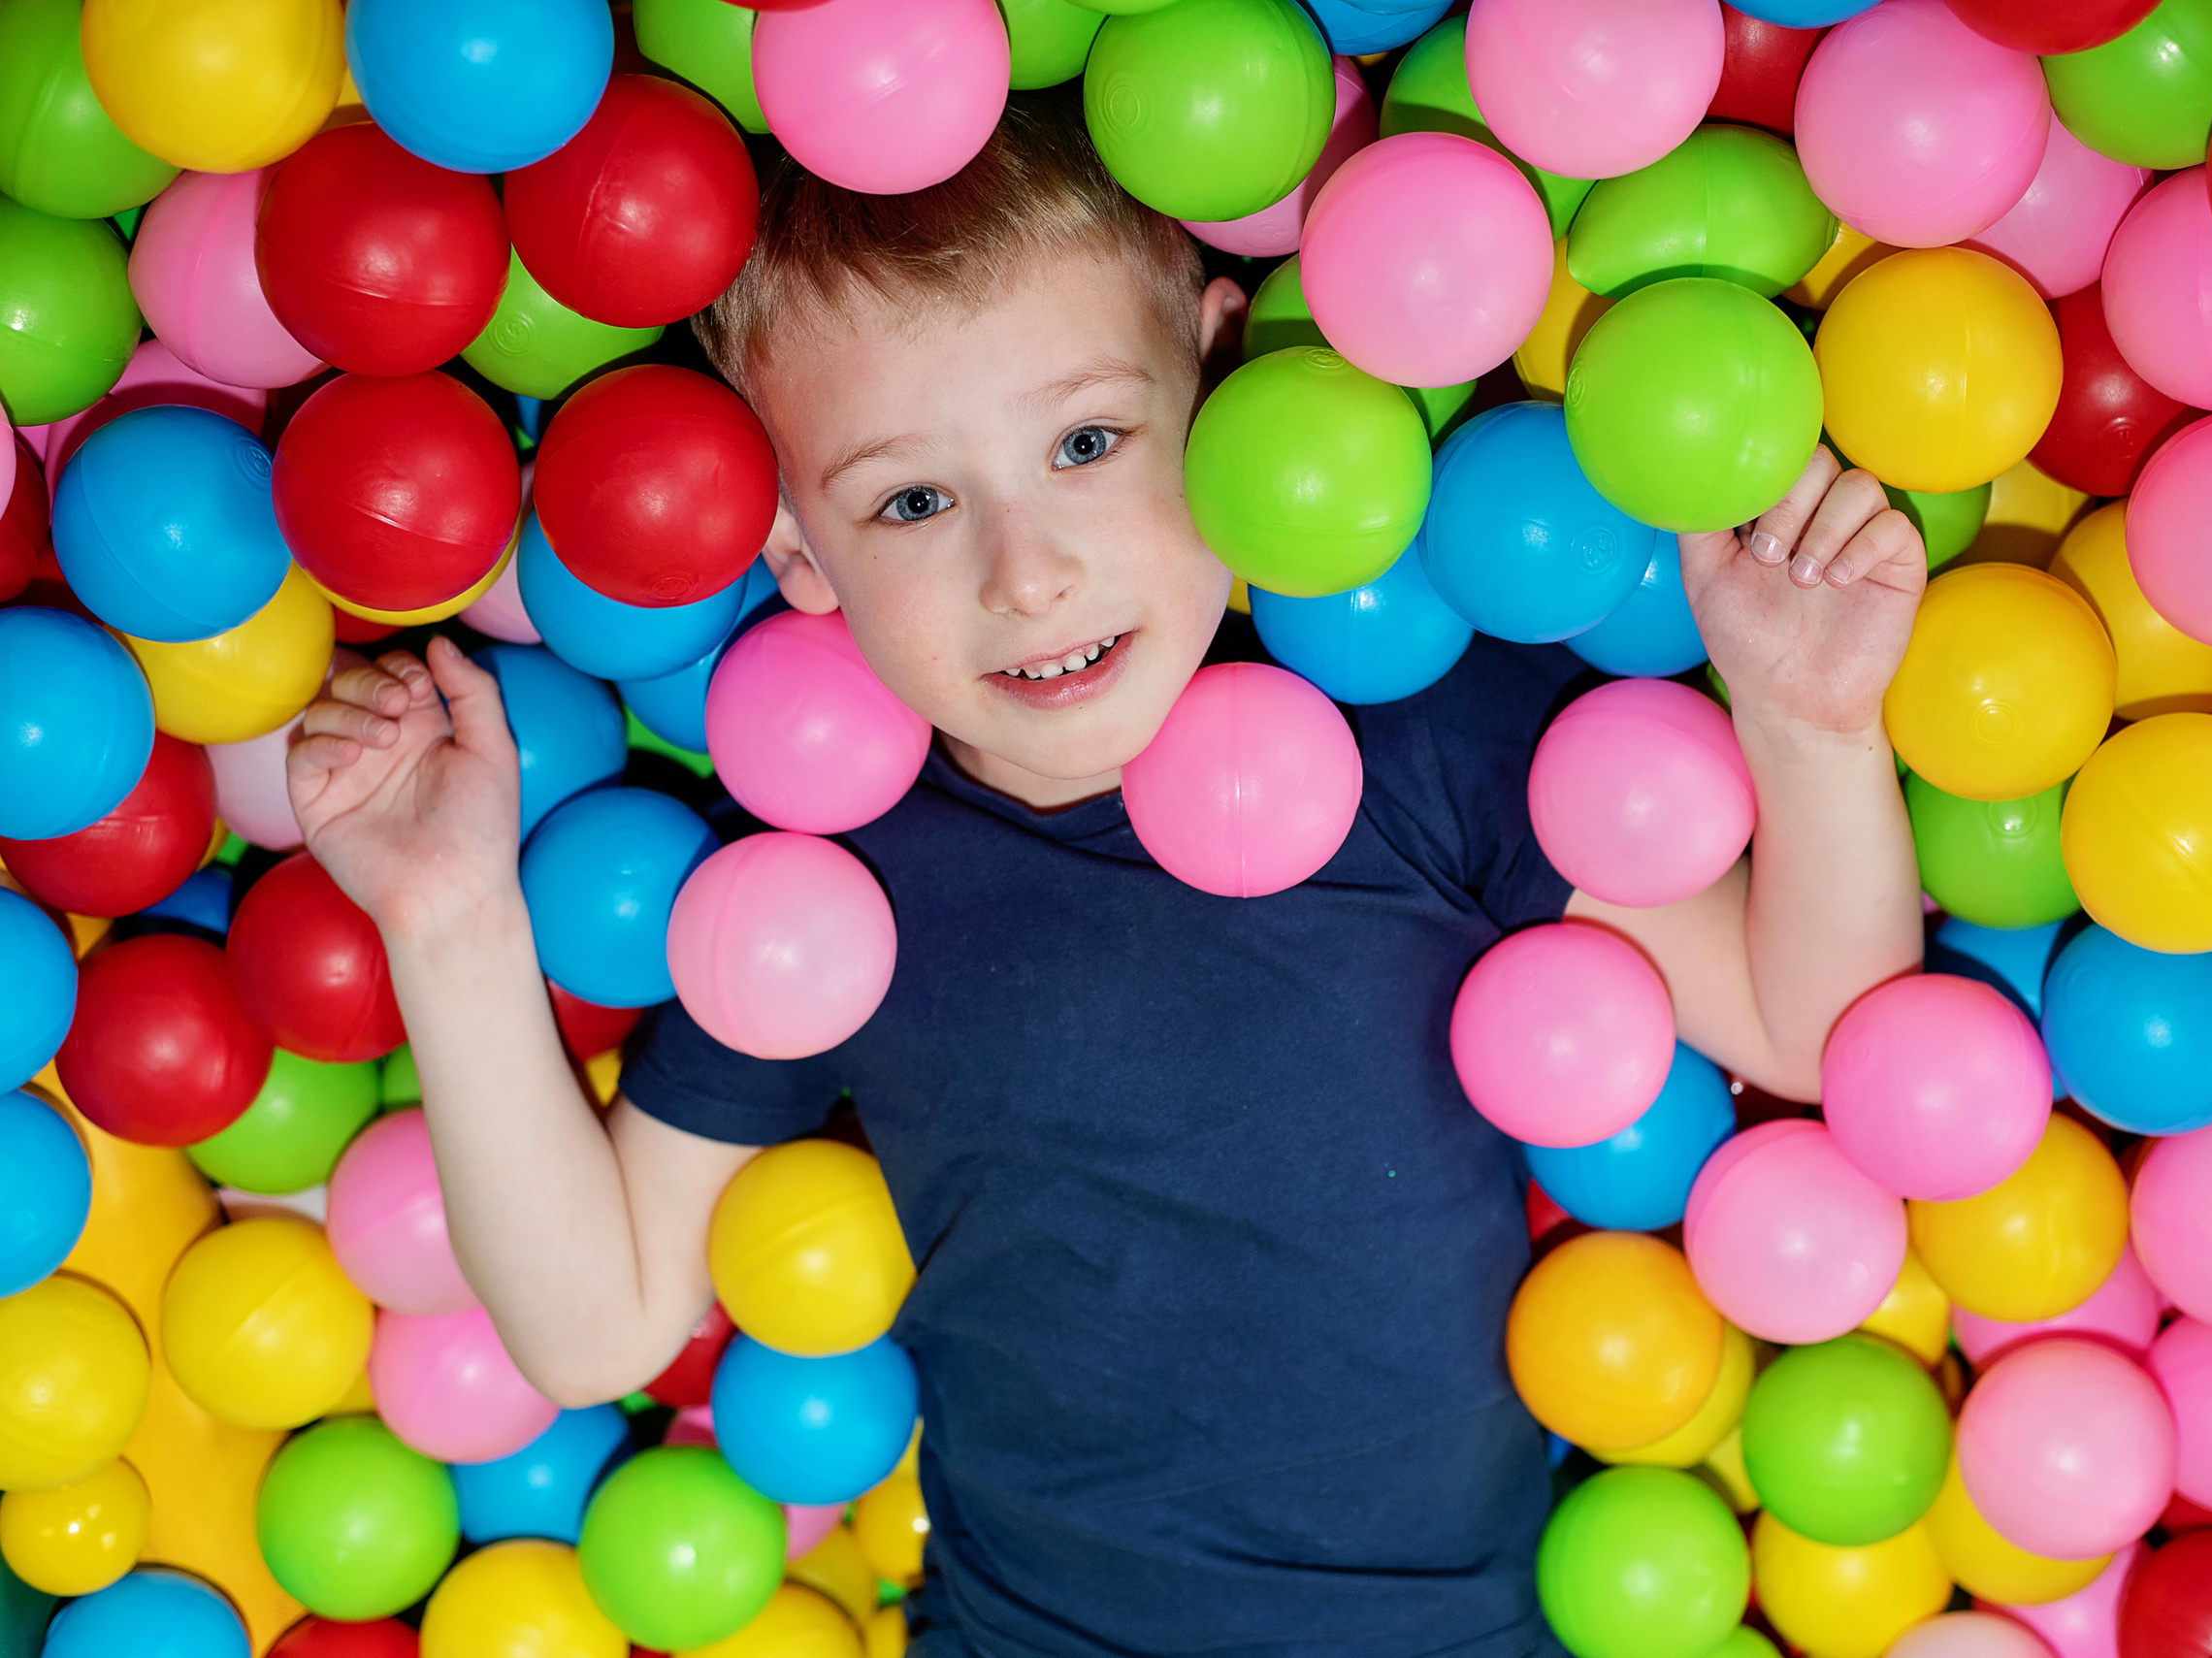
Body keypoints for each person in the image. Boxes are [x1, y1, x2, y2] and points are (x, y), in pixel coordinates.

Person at [290, 90, 1927, 1658]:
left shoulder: (1430, 739)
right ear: (797, 553)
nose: (1026, 566)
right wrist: (446, 919)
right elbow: (598, 1325)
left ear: (1219, 385)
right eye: (913, 500)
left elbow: (1820, 1030)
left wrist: (1811, 724)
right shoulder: (825, 893)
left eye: (1085, 440)